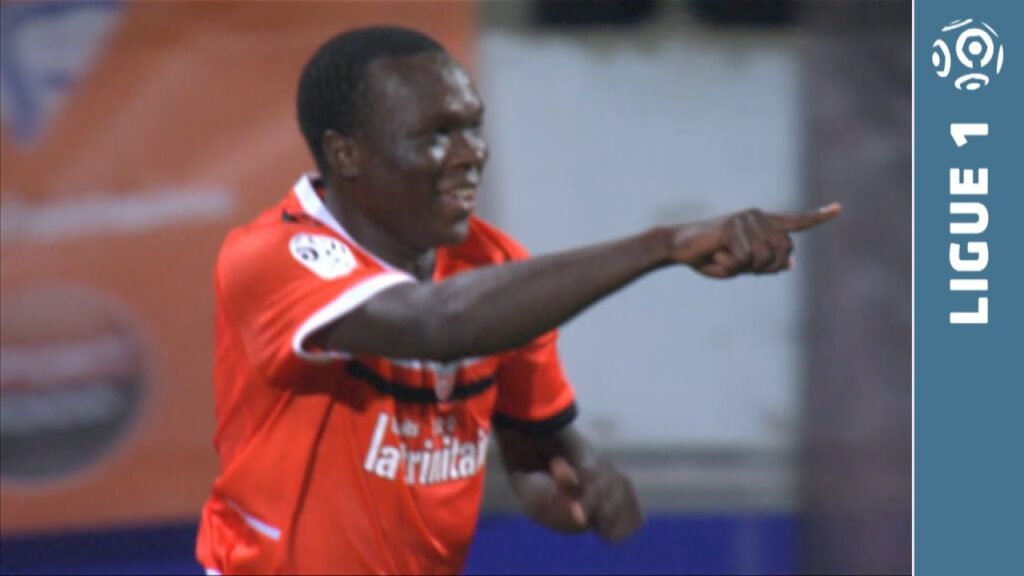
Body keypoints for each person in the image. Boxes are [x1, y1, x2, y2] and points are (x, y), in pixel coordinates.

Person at [195, 25, 841, 575]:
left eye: (472, 126)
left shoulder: (494, 264)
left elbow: (535, 448)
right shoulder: (272, 257)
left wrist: (578, 474)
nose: (469, 155)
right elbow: (437, 323)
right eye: (434, 136)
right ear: (346, 154)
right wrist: (665, 244)